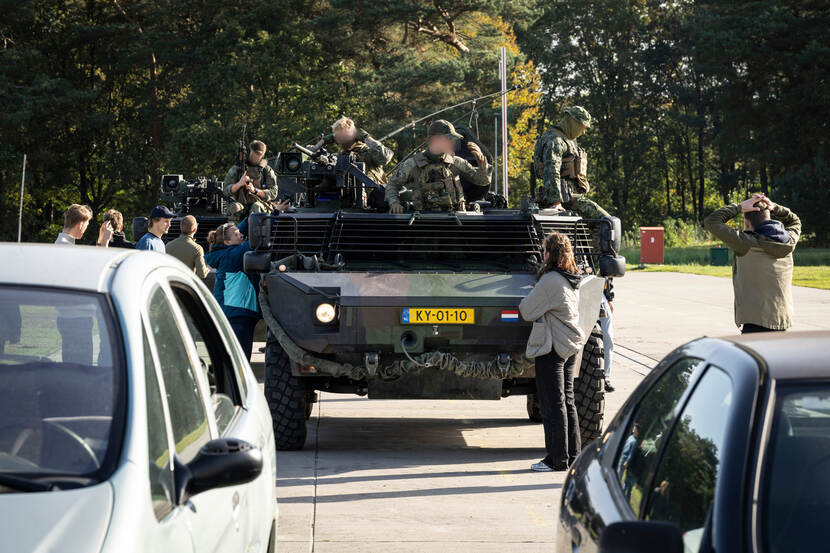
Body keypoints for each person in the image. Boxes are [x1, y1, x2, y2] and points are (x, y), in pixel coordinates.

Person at [519, 231, 586, 472]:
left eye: (544, 249)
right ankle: (573, 456)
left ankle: (555, 459)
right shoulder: (571, 277)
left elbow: (526, 310)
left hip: (552, 348)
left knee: (552, 403)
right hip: (569, 347)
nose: (541, 253)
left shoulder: (550, 281)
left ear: (550, 254)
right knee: (567, 401)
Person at [703, 194, 801, 333]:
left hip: (755, 322)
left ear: (747, 223)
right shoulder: (789, 241)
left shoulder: (745, 243)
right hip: (781, 321)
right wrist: (775, 208)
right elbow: (795, 221)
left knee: (753, 355)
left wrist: (740, 207)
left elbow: (711, 222)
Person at [385, 119, 490, 213]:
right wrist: (394, 203)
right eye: (449, 139)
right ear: (434, 140)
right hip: (423, 221)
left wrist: (482, 165)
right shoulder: (412, 164)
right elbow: (392, 185)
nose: (453, 142)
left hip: (454, 221)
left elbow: (482, 181)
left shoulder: (456, 162)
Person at [532, 106, 609, 218]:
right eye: (582, 127)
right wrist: (556, 202)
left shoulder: (566, 139)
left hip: (569, 196)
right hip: (564, 199)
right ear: (572, 121)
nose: (583, 132)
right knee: (607, 222)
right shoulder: (555, 141)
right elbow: (551, 170)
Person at [205, 218, 261, 359]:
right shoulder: (233, 255)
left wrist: (248, 221)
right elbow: (256, 240)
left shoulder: (225, 252)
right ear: (227, 242)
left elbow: (236, 232)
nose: (241, 235)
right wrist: (273, 214)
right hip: (238, 313)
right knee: (240, 358)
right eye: (237, 235)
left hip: (232, 311)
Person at [223, 139, 279, 222]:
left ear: (262, 155)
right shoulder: (237, 168)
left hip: (260, 204)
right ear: (250, 151)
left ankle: (256, 234)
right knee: (235, 207)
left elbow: (274, 192)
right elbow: (226, 190)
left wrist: (255, 191)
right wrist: (239, 184)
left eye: (258, 154)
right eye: (254, 153)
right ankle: (235, 234)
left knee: (256, 207)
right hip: (241, 204)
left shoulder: (266, 170)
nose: (255, 156)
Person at [330, 116, 394, 184]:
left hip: (372, 192)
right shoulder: (338, 157)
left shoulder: (369, 152)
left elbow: (385, 157)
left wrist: (366, 138)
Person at [600, 279, 615, 392]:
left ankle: (605, 377)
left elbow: (606, 275)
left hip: (599, 296)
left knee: (607, 337)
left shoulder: (591, 260)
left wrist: (609, 298)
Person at [619, 423, 640, 498]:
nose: (633, 428)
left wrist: (627, 462)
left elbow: (631, 453)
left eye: (634, 428)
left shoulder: (634, 442)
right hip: (621, 456)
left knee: (619, 474)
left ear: (637, 430)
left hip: (624, 459)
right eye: (633, 427)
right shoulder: (630, 437)